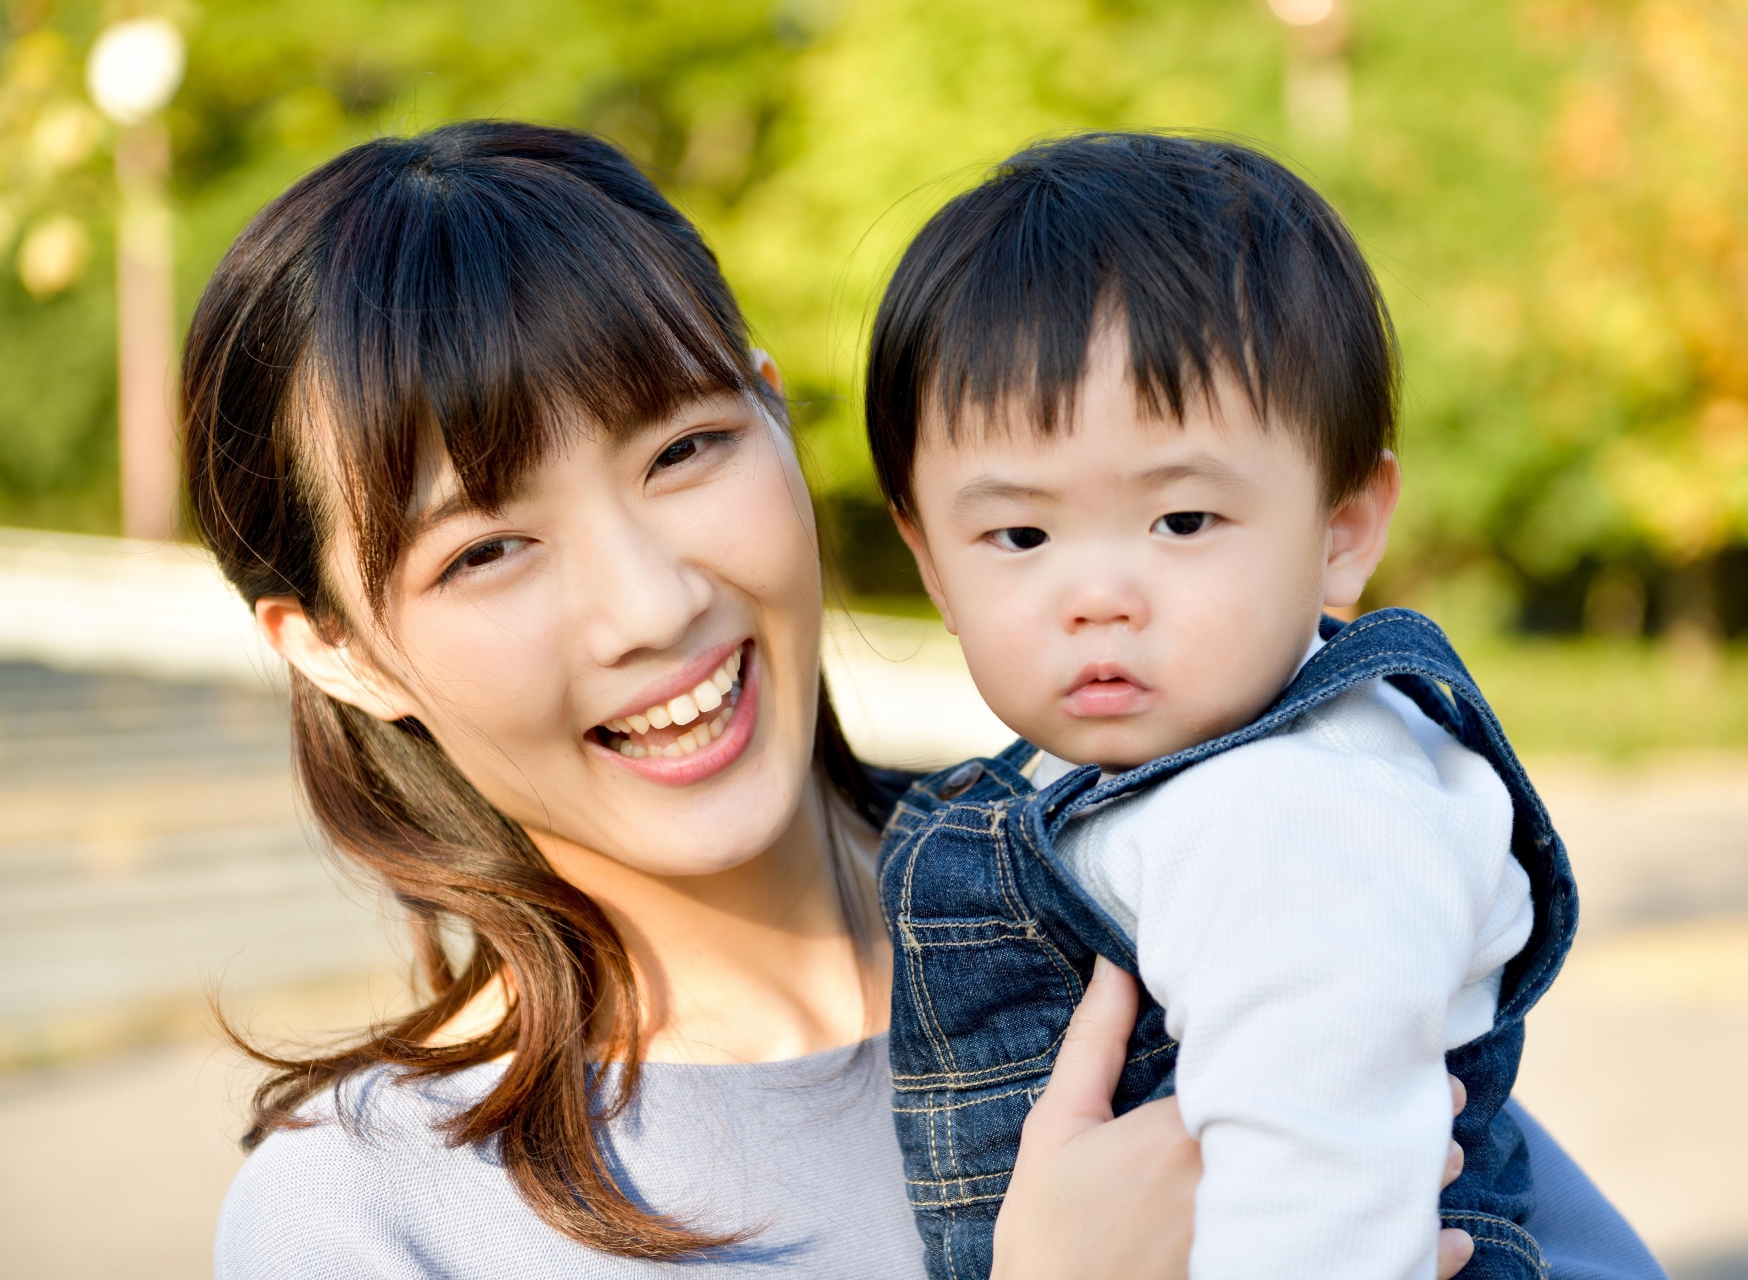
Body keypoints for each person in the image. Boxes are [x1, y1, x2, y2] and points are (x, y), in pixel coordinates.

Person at [186, 121, 1665, 1280]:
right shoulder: (371, 1221)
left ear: (776, 410)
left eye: (685, 451)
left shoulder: (1138, 876)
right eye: (489, 549)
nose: (650, 605)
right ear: (334, 647)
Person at [866, 133, 1575, 1280]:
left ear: (1342, 529)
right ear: (934, 564)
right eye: (1021, 535)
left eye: (1182, 521)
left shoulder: (1297, 802)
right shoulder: (1092, 780)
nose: (1098, 596)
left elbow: (1323, 1191)